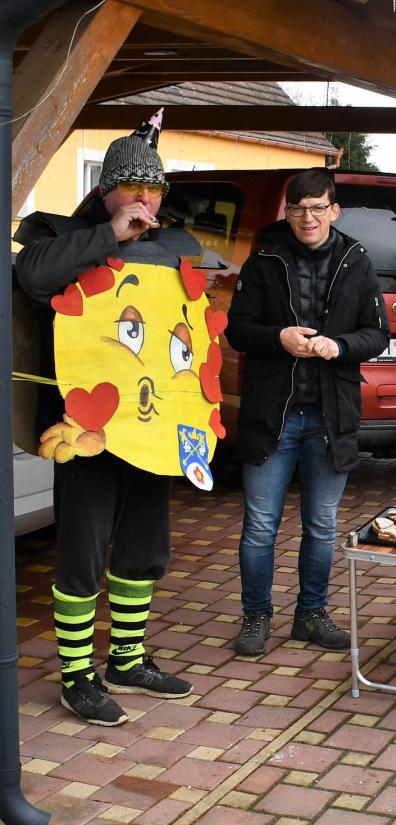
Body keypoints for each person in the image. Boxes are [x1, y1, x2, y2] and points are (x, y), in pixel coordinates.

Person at [14, 111, 196, 727]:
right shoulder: (60, 236)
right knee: (83, 551)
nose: (144, 200)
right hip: (84, 427)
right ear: (106, 189)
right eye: (131, 188)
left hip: (152, 425)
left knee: (145, 546)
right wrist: (109, 234)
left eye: (154, 189)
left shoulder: (172, 248)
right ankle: (75, 677)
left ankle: (127, 658)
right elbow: (33, 276)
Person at [227, 168, 389, 657]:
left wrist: (340, 346)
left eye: (317, 207)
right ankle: (256, 617)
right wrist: (278, 337)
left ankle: (311, 615)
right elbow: (237, 329)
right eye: (298, 209)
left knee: (321, 525)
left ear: (334, 211)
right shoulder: (264, 259)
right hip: (272, 415)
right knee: (260, 525)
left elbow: (378, 333)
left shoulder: (357, 261)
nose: (308, 218)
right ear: (288, 212)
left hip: (330, 416)